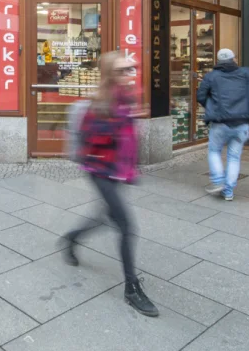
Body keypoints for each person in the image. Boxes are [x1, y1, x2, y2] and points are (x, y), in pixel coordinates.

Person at [60, 52, 159, 318]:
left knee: (104, 216)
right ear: (109, 75)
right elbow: (92, 143)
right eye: (123, 70)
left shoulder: (127, 98)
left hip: (117, 172)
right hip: (100, 171)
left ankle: (71, 238)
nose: (130, 74)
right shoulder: (99, 105)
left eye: (132, 68)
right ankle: (131, 289)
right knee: (127, 226)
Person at [196, 48, 249, 201]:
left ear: (218, 61)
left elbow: (200, 96)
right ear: (234, 59)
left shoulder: (211, 76)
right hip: (242, 123)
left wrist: (212, 105)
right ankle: (229, 191)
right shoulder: (246, 73)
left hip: (220, 122)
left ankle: (218, 182)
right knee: (234, 157)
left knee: (214, 151)